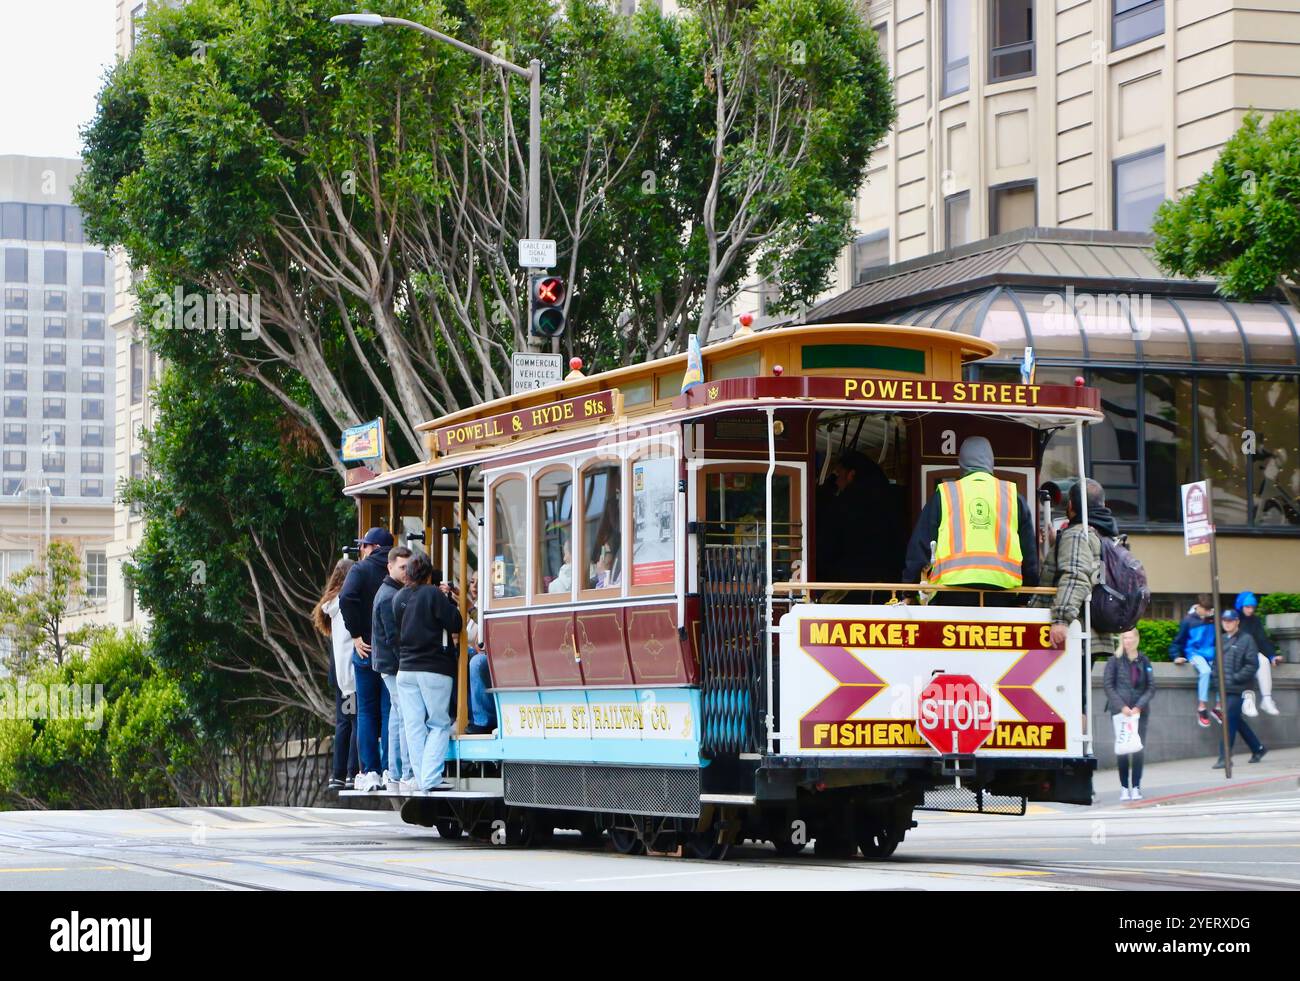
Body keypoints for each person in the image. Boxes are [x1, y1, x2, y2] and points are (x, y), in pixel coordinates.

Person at [902, 436, 1038, 605]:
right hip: (1002, 595)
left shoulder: (945, 495)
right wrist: (1025, 596)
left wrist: (909, 592)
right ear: (991, 463)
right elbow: (1030, 556)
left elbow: (920, 546)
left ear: (961, 464)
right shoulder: (1013, 496)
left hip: (951, 594)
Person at [395, 553, 462, 792]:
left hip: (405, 670)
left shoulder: (399, 598)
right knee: (439, 724)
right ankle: (430, 778)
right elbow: (455, 622)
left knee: (414, 726)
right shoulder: (433, 594)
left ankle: (421, 778)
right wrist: (450, 600)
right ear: (428, 574)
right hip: (433, 667)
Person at [1033, 478, 1119, 656]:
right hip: (1093, 630)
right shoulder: (1104, 533)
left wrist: (1061, 620)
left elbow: (1076, 576)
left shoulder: (1077, 534)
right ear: (1102, 504)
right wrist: (1057, 545)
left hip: (1073, 632)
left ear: (1070, 505)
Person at [338, 527, 394, 792]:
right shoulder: (398, 570)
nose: (360, 550)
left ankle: (369, 769)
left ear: (373, 547)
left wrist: (356, 634)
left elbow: (346, 598)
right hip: (392, 651)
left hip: (365, 649)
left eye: (363, 545)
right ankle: (389, 769)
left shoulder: (359, 570)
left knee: (366, 712)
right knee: (389, 710)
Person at [819, 449, 906, 602]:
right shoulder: (895, 499)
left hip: (852, 587)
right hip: (891, 587)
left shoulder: (843, 506)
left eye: (838, 475)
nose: (836, 481)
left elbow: (829, 547)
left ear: (851, 475)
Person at [372, 546, 414, 792]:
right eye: (402, 567)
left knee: (397, 717)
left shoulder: (391, 591)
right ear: (390, 567)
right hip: (393, 665)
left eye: (409, 567)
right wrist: (406, 663)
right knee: (405, 717)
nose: (406, 571)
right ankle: (406, 772)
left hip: (388, 664)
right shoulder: (389, 596)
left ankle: (395, 771)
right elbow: (393, 637)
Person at [314, 557, 357, 791]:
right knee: (353, 722)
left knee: (344, 723)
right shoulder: (347, 603)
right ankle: (350, 772)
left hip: (340, 675)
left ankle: (338, 774)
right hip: (350, 676)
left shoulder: (331, 604)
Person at [1104, 628, 1155, 800]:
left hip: (1139, 713)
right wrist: (1122, 707)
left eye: (1130, 637)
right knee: (1123, 749)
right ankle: (1124, 787)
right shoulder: (1114, 660)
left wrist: (1139, 706)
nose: (1127, 641)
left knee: (1138, 750)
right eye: (1124, 637)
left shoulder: (1144, 660)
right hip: (1120, 714)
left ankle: (1137, 787)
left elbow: (1151, 687)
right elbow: (1108, 686)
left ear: (1136, 639)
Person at [1214, 608, 1267, 768]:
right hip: (1224, 688)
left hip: (1239, 688)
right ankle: (1258, 748)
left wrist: (1236, 678)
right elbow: (1216, 663)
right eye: (1225, 621)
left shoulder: (1246, 639)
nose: (1227, 623)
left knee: (1229, 721)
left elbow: (1252, 664)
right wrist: (1216, 679)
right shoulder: (1221, 639)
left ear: (1237, 622)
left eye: (1230, 621)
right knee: (1235, 720)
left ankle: (1225, 757)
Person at [1170, 594, 1220, 728]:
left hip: (1211, 653)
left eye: (1211, 609)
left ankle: (1218, 707)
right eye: (1206, 609)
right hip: (1194, 653)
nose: (1209, 612)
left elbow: (1219, 638)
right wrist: (1176, 656)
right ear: (1199, 607)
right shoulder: (1188, 620)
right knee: (1205, 671)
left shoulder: (1213, 618)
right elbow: (1178, 641)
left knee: (1221, 671)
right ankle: (1202, 707)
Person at [1235, 591, 1283, 717]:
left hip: (1251, 652)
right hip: (1235, 654)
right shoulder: (1233, 618)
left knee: (1264, 661)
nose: (1250, 610)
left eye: (1252, 607)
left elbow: (1262, 639)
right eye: (1247, 607)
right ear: (1240, 606)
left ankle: (1266, 699)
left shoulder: (1255, 620)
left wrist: (1272, 656)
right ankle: (1248, 699)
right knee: (1249, 662)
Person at [462, 570, 497, 735]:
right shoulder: (470, 606)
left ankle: (483, 719)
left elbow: (483, 633)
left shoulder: (488, 605)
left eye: (479, 582)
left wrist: (470, 608)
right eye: (472, 581)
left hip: (490, 654)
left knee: (476, 662)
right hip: (471, 652)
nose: (474, 586)